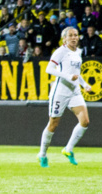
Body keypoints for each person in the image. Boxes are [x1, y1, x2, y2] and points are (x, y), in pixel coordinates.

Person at [37, 27, 92, 168]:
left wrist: (84, 84)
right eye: (71, 35)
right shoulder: (60, 51)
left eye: (76, 35)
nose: (74, 37)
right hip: (60, 91)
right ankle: (42, 154)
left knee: (85, 121)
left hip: (74, 90)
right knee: (53, 124)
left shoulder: (78, 52)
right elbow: (48, 69)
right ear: (65, 39)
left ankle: (68, 150)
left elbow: (76, 73)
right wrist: (68, 76)